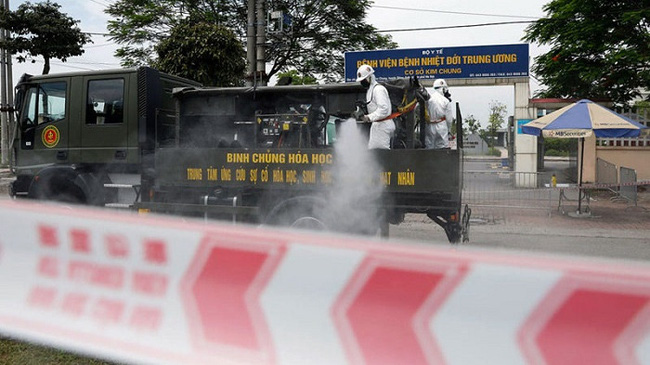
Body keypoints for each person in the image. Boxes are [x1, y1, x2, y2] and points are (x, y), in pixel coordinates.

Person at [355, 64, 395, 149]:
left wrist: (369, 117)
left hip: (383, 125)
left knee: (380, 154)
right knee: (374, 152)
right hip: (378, 124)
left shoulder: (378, 89)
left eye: (363, 80)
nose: (362, 82)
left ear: (370, 77)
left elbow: (384, 109)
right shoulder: (371, 90)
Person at [425, 78, 454, 149]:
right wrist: (449, 130)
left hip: (429, 125)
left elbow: (419, 110)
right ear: (443, 89)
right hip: (442, 125)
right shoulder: (446, 101)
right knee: (442, 148)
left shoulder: (428, 99)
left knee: (429, 147)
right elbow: (449, 119)